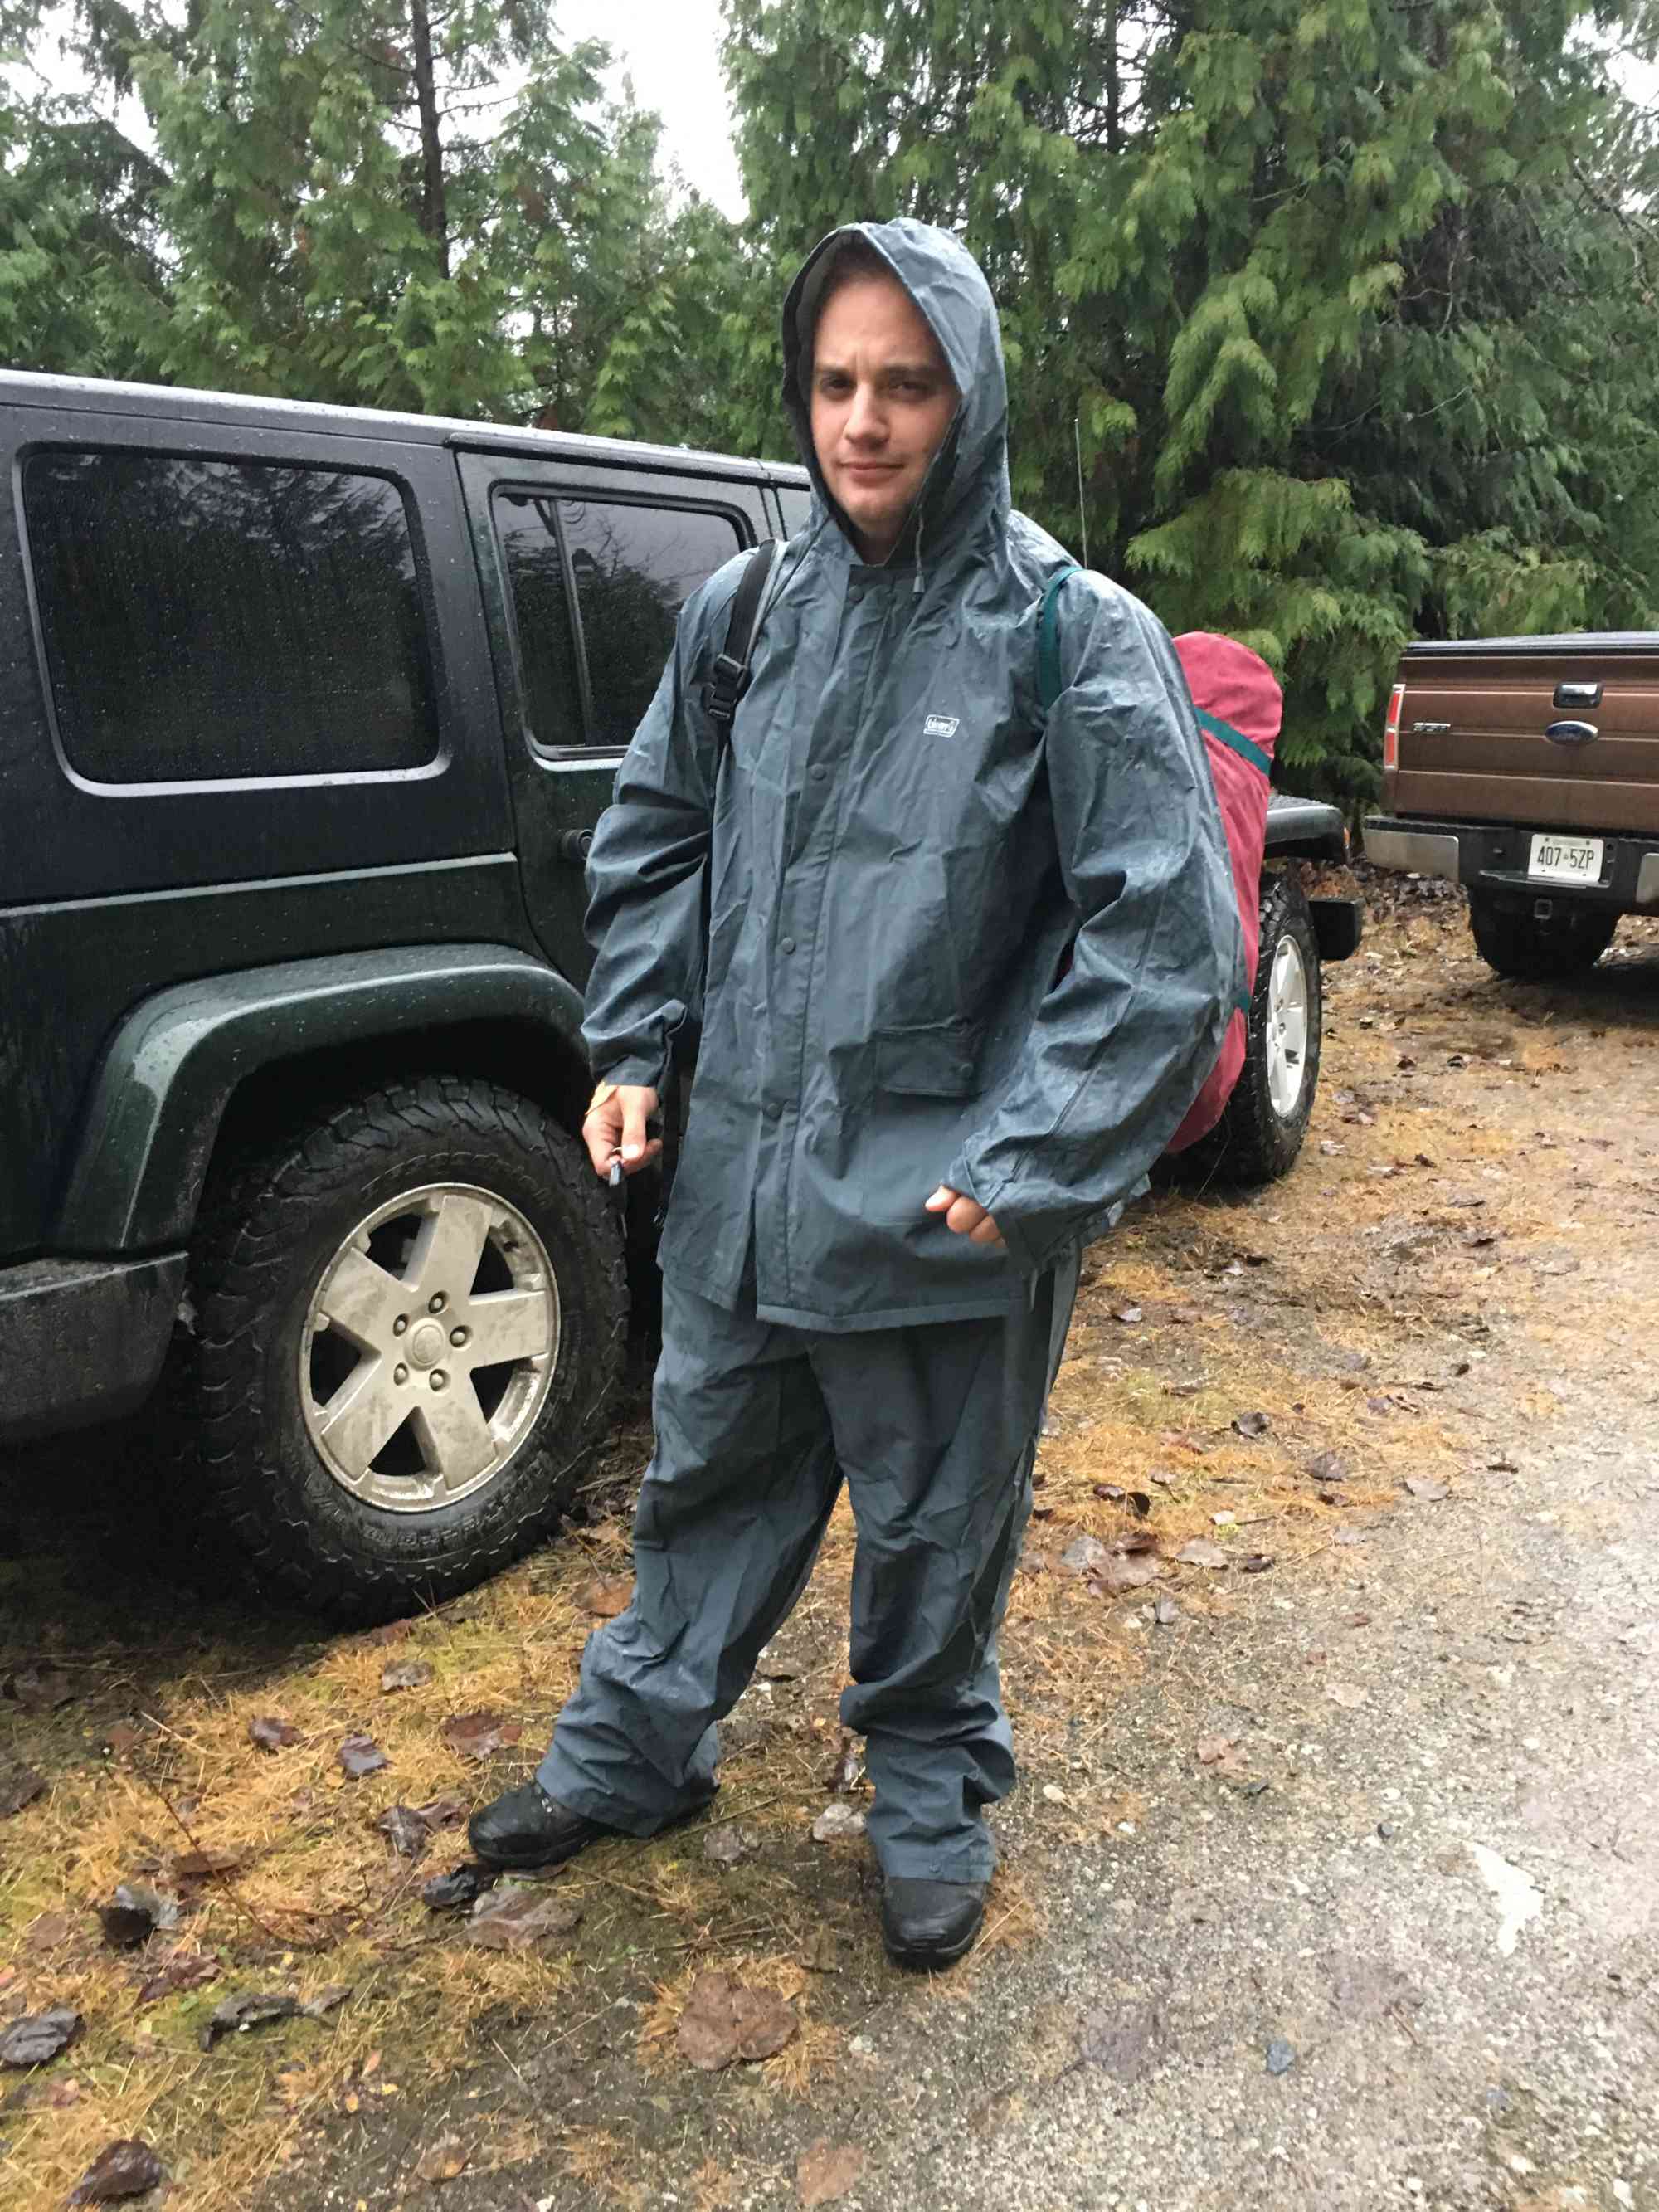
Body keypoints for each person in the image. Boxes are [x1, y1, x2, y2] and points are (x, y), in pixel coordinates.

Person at [469, 218, 1243, 1969]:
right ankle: (632, 1753)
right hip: (744, 1190)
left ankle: (924, 1797)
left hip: (944, 1207)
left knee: (934, 1533)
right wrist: (633, 1043)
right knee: (701, 1489)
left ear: (970, 396)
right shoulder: (746, 614)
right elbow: (655, 833)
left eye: (904, 383)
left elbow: (1167, 935)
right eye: (834, 383)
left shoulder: (1070, 633)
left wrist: (1032, 1156)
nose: (863, 421)